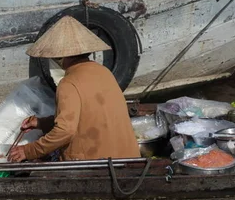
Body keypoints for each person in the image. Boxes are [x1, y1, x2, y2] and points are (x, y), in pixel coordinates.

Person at [7, 16, 140, 162]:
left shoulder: (68, 84)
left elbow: (65, 131)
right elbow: (83, 119)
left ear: (61, 57)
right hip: (129, 157)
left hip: (97, 164)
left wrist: (29, 151)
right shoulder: (104, 72)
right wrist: (40, 123)